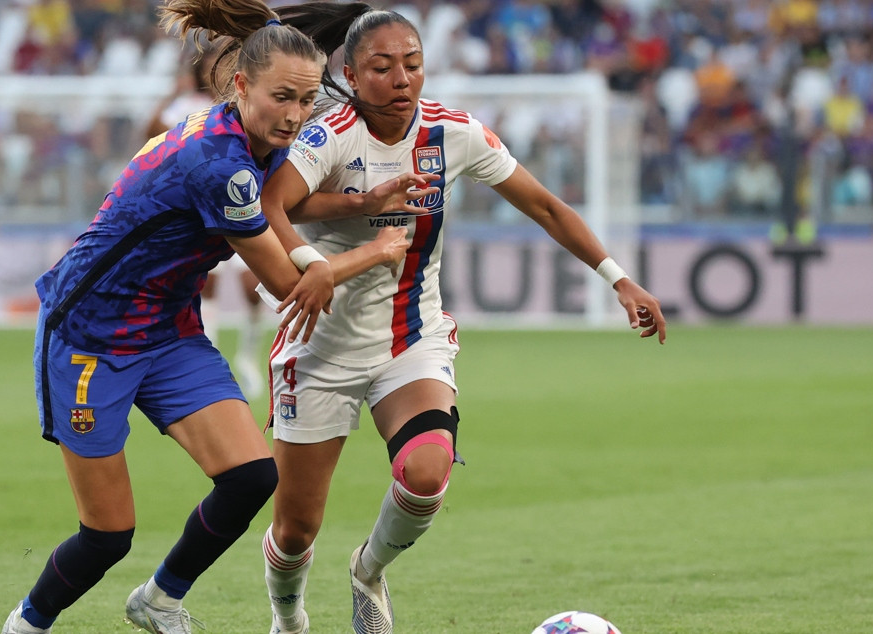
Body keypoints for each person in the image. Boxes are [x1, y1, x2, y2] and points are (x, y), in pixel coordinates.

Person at [0, 1, 425, 632]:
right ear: (242, 85)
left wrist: (363, 200)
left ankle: (160, 599)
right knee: (108, 534)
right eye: (283, 97)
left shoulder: (254, 139)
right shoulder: (217, 162)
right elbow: (286, 281)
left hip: (167, 329)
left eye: (306, 101)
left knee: (252, 477)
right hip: (90, 334)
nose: (295, 115)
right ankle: (27, 624)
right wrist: (378, 247)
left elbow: (285, 206)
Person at [256, 4, 668, 633]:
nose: (401, 79)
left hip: (410, 339)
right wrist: (318, 257)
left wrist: (618, 278)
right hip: (321, 346)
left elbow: (546, 207)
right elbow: (272, 204)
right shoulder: (328, 134)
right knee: (294, 530)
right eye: (382, 67)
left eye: (413, 65)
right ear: (350, 73)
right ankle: (288, 618)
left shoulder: (454, 133)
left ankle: (368, 571)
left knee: (426, 470)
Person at [145, 43, 268, 397]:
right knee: (206, 289)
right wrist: (174, 90)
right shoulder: (191, 108)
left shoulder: (248, 105)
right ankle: (212, 360)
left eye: (224, 62)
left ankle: (247, 357)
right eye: (211, 63)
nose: (216, 68)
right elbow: (152, 135)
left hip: (244, 208)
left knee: (252, 288)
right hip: (204, 216)